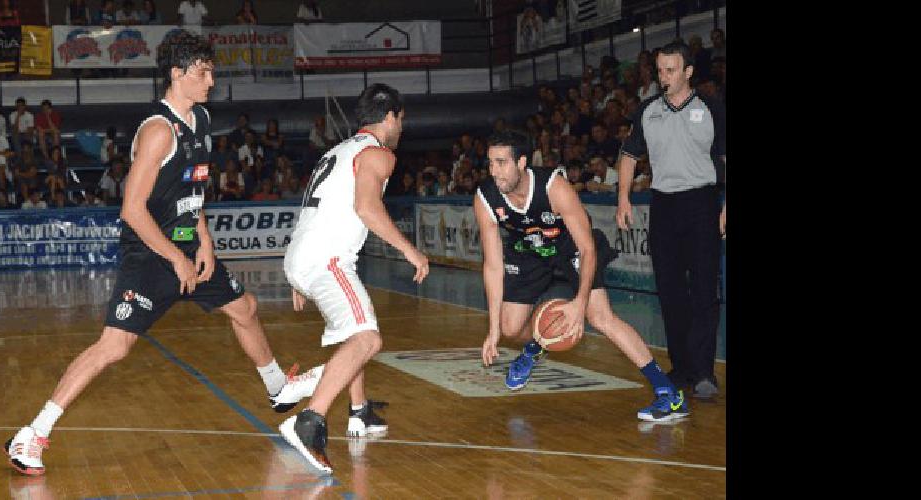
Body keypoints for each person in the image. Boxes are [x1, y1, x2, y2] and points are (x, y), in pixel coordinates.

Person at [4, 30, 321, 476]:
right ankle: (32, 433)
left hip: (189, 249)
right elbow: (132, 210)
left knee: (245, 308)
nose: (211, 80)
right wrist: (175, 256)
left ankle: (277, 388)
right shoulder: (157, 131)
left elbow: (193, 190)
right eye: (203, 72)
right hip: (152, 256)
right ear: (177, 75)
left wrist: (204, 241)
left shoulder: (203, 121)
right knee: (113, 348)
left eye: (211, 71)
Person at [474, 130, 688, 422]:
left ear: (522, 162)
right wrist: (492, 330)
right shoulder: (485, 198)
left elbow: (587, 249)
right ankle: (537, 344)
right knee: (510, 327)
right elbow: (493, 265)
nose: (494, 171)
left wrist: (579, 302)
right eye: (490, 163)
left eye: (501, 163)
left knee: (600, 317)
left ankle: (668, 393)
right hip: (527, 251)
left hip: (570, 247)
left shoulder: (554, 187)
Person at [278, 83, 430, 474]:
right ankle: (308, 419)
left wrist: (298, 276)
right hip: (326, 257)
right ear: (391, 116)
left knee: (355, 330)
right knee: (367, 338)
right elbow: (367, 206)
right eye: (402, 119)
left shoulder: (335, 151)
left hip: (304, 252)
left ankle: (359, 411)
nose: (402, 127)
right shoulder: (379, 154)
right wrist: (410, 250)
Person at [616, 41, 726, 400]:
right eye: (660, 70)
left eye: (670, 70)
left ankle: (704, 371)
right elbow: (630, 156)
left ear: (688, 71)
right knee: (670, 290)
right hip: (663, 205)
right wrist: (623, 199)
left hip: (703, 202)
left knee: (705, 290)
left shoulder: (711, 106)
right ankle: (681, 367)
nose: (663, 76)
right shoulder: (647, 110)